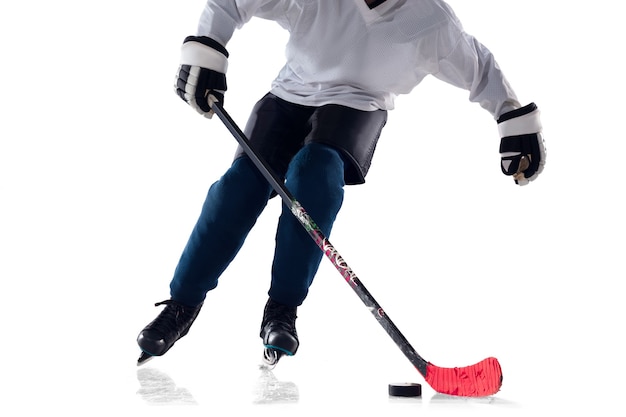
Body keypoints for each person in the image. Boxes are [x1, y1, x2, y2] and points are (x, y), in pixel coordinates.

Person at [136, 0, 546, 365]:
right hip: (288, 94)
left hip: (358, 105)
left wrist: (513, 122)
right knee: (239, 186)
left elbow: (481, 68)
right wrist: (207, 49)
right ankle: (181, 306)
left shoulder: (430, 20)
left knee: (315, 174)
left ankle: (282, 310)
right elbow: (230, 4)